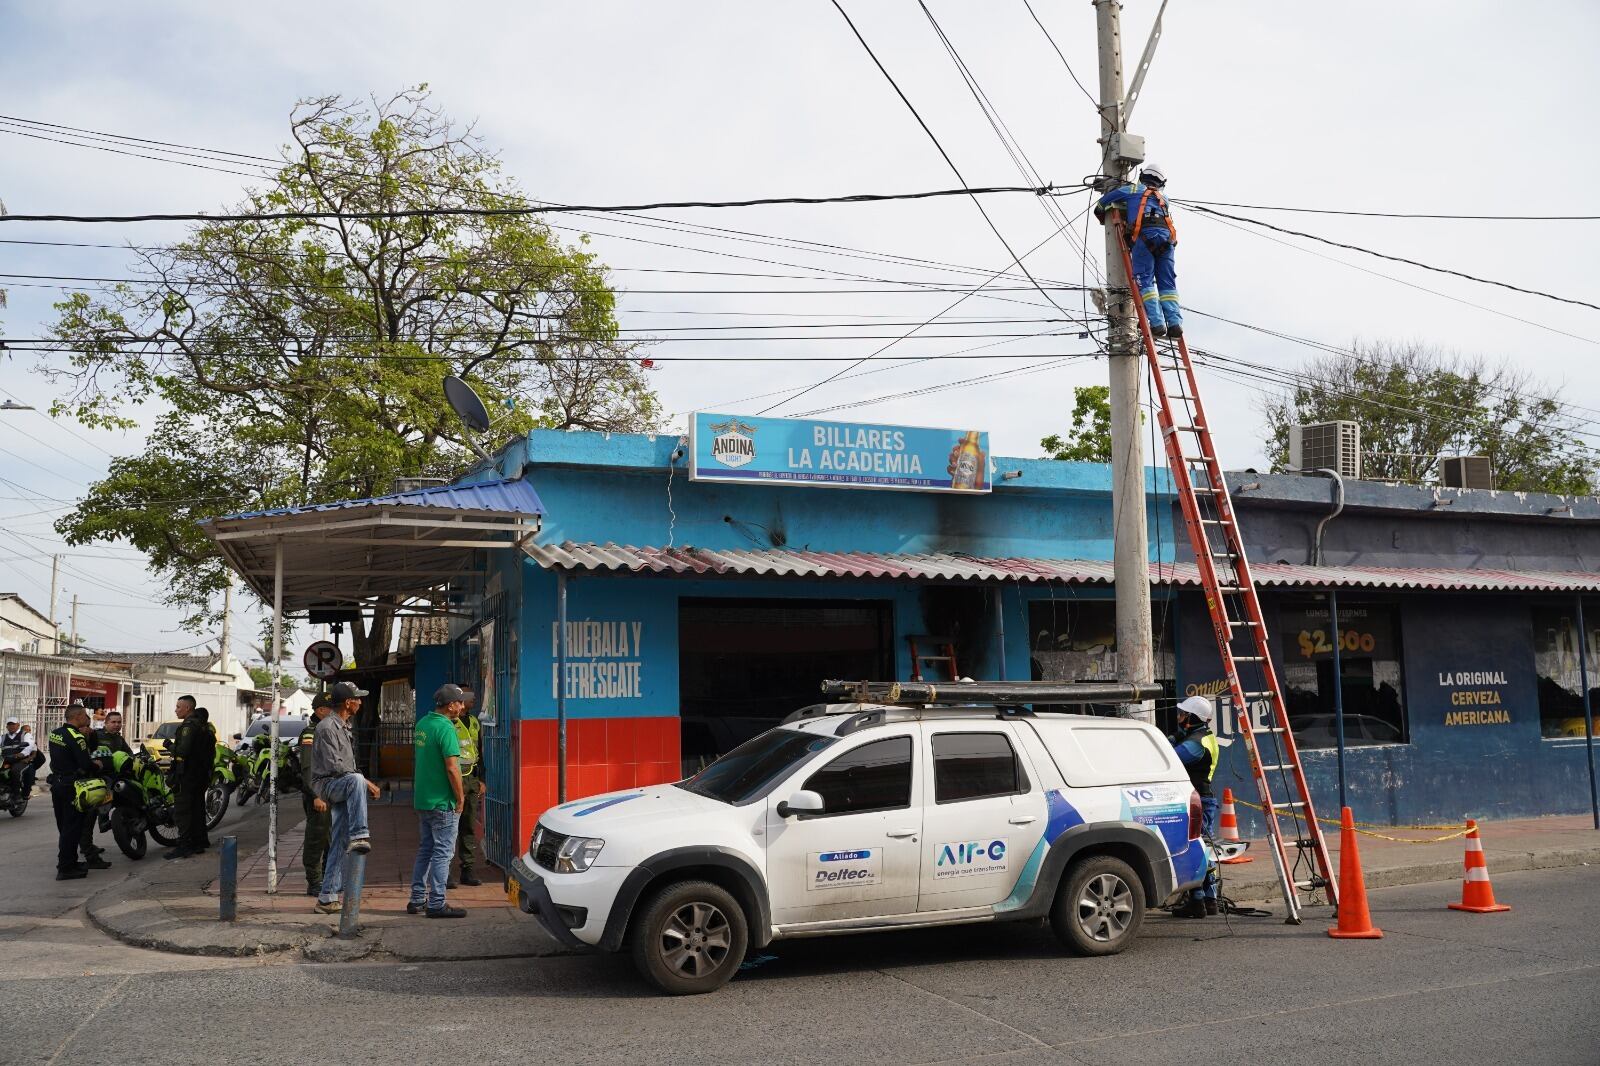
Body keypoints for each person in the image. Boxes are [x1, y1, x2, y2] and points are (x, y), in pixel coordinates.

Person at [311, 681, 379, 915]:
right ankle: (360, 834)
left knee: (339, 841)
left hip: (342, 782)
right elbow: (336, 766)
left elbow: (348, 766)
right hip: (329, 784)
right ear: (348, 702)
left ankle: (326, 897)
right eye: (357, 698)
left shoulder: (344, 726)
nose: (360, 702)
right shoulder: (328, 727)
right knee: (357, 781)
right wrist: (364, 781)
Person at [1094, 162, 1182, 339]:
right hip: (1167, 242)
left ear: (1142, 176)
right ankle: (1174, 324)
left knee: (1146, 282)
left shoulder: (1131, 190)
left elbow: (1102, 204)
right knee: (1167, 284)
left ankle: (1157, 323)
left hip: (1144, 239)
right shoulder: (1164, 199)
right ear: (1160, 182)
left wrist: (1103, 215)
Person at [408, 684, 466, 919]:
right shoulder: (446, 728)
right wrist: (460, 798)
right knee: (443, 852)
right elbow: (452, 768)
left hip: (423, 798)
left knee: (426, 849)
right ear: (451, 705)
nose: (462, 706)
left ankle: (417, 899)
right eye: (460, 702)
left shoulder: (423, 724)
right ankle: (436, 903)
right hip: (443, 801)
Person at [1168, 695, 1220, 917]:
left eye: (1183, 714)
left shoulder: (1196, 743)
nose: (1179, 717)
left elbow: (1171, 757)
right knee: (1200, 847)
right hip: (1198, 799)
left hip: (1198, 801)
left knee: (1197, 849)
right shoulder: (1201, 736)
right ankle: (1209, 901)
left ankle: (1198, 902)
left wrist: (1164, 742)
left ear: (1192, 718)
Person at [47, 703, 104, 880]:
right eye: (85, 715)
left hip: (57, 782)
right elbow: (85, 763)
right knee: (72, 827)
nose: (86, 718)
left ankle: (68, 861)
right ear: (78, 716)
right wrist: (98, 765)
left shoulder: (55, 733)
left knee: (64, 826)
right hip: (72, 785)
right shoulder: (77, 736)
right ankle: (66, 868)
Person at [80, 709, 134, 865]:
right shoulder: (96, 735)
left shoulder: (119, 740)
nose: (116, 725)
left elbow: (129, 754)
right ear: (106, 723)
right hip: (97, 778)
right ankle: (89, 843)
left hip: (117, 775)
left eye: (119, 722)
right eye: (113, 722)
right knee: (89, 816)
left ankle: (125, 839)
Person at [166, 695, 216, 860]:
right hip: (200, 774)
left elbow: (182, 751)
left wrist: (169, 746)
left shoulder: (189, 726)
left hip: (188, 774)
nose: (176, 710)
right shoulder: (203, 725)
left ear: (188, 708)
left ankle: (184, 845)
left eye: (179, 707)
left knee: (183, 810)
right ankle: (199, 842)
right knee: (196, 808)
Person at [297, 693, 335, 898]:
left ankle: (328, 878)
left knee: (331, 838)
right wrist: (315, 796)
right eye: (331, 708)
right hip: (317, 794)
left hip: (330, 792)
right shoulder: (311, 733)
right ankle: (314, 882)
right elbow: (308, 767)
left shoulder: (328, 730)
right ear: (321, 710)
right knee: (316, 838)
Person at [450, 686, 483, 888]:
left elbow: (479, 751)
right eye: (467, 696)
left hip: (471, 778)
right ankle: (444, 872)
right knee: (449, 827)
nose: (472, 699)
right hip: (453, 780)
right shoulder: (448, 723)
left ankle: (467, 870)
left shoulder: (473, 722)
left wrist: (481, 778)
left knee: (469, 826)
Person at [3, 715, 39, 796]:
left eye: (13, 724)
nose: (11, 726)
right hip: (6, 760)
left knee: (15, 771)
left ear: (18, 725)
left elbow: (29, 746)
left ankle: (16, 795)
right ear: (6, 726)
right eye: (9, 724)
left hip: (20, 760)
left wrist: (21, 754)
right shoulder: (3, 737)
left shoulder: (26, 735)